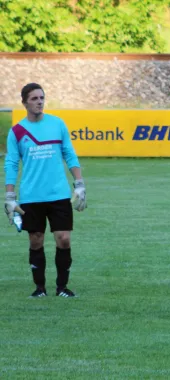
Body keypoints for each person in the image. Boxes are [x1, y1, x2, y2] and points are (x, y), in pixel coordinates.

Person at [4, 83, 87, 298]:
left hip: (58, 194)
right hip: (31, 196)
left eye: (42, 97)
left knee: (64, 239)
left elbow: (70, 154)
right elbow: (11, 163)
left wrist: (79, 183)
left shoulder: (57, 124)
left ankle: (62, 288)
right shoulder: (17, 131)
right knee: (36, 240)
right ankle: (40, 288)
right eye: (34, 98)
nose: (39, 101)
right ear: (24, 103)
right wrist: (10, 196)